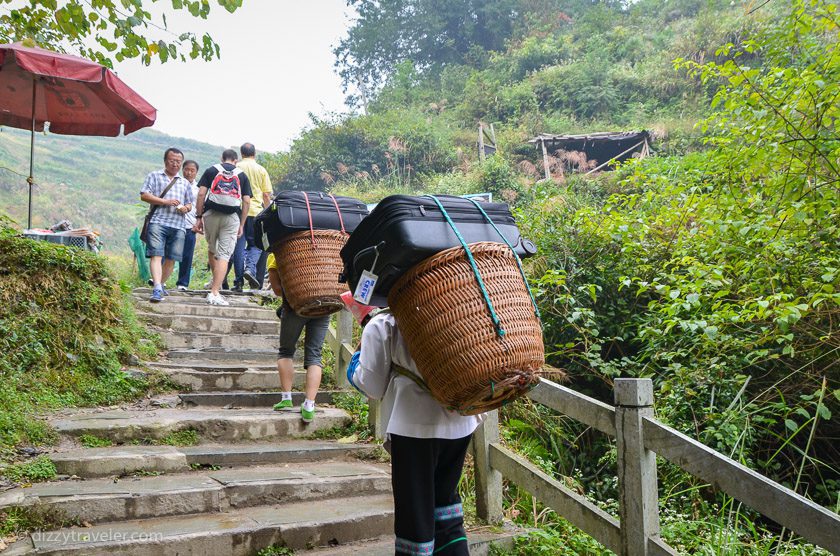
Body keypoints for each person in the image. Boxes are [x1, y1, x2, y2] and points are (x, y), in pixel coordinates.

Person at [342, 292, 483, 556]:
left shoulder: (384, 324)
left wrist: (353, 366)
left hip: (413, 428)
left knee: (414, 516)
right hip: (460, 423)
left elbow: (371, 385)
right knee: (446, 507)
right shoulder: (452, 312)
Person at [266, 253, 330, 422]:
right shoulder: (324, 251)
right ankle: (309, 405)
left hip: (295, 306)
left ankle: (286, 398)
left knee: (286, 351)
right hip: (323, 305)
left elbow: (278, 290)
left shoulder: (279, 252)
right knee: (315, 355)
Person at [194, 149, 251, 306]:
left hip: (211, 213)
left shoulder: (212, 170)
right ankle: (215, 292)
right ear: (236, 160)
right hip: (231, 217)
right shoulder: (242, 175)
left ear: (222, 158)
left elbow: (201, 194)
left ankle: (214, 281)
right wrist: (242, 223)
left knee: (213, 249)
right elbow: (246, 201)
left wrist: (199, 217)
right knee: (225, 255)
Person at [140, 147, 194, 303]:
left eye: (178, 161)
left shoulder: (184, 183)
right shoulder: (154, 176)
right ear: (165, 161)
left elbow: (190, 203)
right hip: (158, 221)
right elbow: (144, 195)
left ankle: (161, 284)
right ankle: (157, 287)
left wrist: (185, 208)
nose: (175, 164)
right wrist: (165, 202)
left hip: (179, 225)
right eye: (172, 160)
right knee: (157, 255)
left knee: (172, 258)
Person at [232, 142, 272, 290]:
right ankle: (250, 268)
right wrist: (268, 214)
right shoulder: (261, 170)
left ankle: (238, 282)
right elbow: (266, 195)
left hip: (238, 212)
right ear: (254, 154)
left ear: (241, 154)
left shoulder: (236, 168)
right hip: (256, 212)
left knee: (239, 246)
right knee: (256, 244)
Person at [176, 160, 200, 292]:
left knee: (187, 254)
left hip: (190, 225)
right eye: (186, 169)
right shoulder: (176, 183)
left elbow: (201, 207)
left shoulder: (199, 189)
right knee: (168, 252)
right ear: (182, 169)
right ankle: (161, 279)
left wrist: (198, 222)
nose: (189, 172)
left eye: (192, 170)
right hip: (174, 222)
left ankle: (183, 282)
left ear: (196, 172)